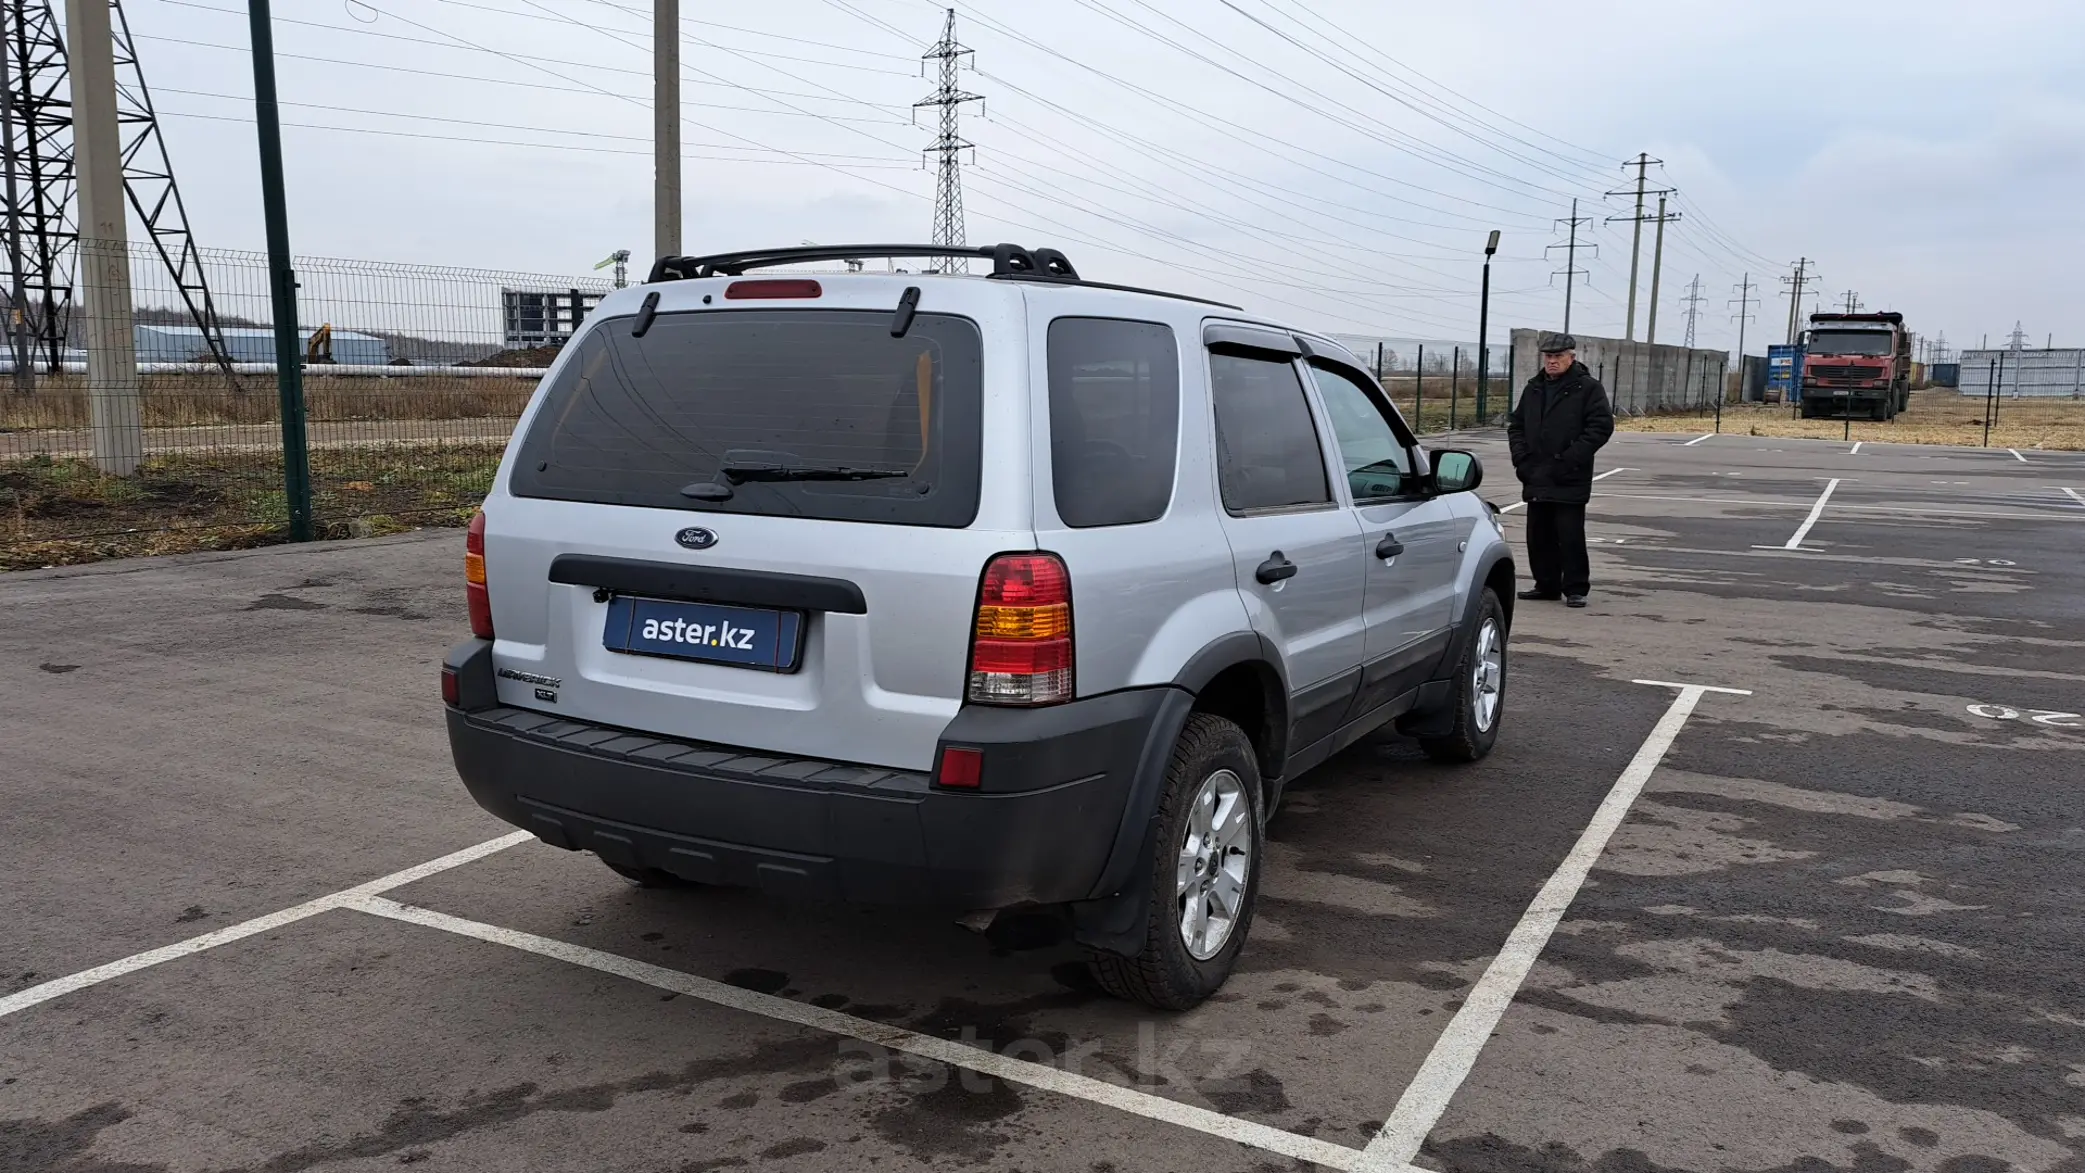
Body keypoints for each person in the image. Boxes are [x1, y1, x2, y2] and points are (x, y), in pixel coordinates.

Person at [1506, 332, 1615, 608]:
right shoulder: (1534, 388)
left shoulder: (1588, 388)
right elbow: (1516, 425)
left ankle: (1576, 588)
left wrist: (1568, 460)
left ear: (1571, 357)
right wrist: (1521, 459)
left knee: (1570, 535)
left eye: (1558, 356)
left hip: (1569, 475)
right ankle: (1546, 585)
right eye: (1548, 356)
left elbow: (1600, 427)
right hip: (1535, 474)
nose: (1552, 361)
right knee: (1538, 535)